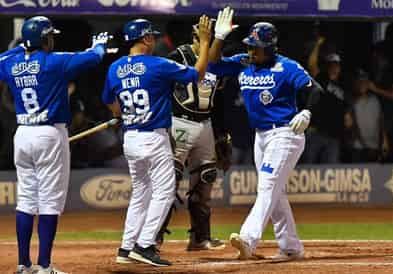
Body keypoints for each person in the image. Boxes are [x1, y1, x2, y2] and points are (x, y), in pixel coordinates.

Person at [208, 7, 322, 261]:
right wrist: (219, 38)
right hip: (261, 136)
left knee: (268, 185)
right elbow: (213, 64)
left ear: (270, 47)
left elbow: (315, 90)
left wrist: (306, 113)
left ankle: (248, 239)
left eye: (256, 47)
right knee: (276, 192)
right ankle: (291, 247)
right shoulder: (244, 63)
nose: (251, 50)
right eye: (249, 45)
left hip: (285, 133)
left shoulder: (286, 66)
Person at [0, 16, 109, 274]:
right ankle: (45, 266)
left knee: (26, 200)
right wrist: (100, 45)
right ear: (44, 38)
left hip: (23, 133)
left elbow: (7, 56)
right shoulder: (56, 61)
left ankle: (23, 264)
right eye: (49, 35)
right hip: (49, 133)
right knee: (49, 201)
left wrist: (22, 46)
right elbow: (94, 58)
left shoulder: (12, 63)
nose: (52, 39)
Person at [102, 16, 212, 266]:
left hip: (130, 138)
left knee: (141, 193)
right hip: (153, 137)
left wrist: (124, 114)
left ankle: (126, 248)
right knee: (163, 191)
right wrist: (205, 43)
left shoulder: (115, 67)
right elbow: (197, 74)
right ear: (146, 38)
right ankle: (145, 245)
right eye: (152, 35)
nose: (155, 39)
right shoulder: (157, 64)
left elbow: (111, 104)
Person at [155, 21, 231, 251]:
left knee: (206, 179)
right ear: (195, 38)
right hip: (178, 121)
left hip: (205, 123)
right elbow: (161, 89)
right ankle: (154, 237)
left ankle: (199, 237)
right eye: (204, 38)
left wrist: (221, 134)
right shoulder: (177, 56)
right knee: (169, 181)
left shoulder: (217, 62)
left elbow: (219, 103)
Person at [302, 53, 346, 163]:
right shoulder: (320, 79)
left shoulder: (343, 85)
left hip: (333, 135)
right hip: (315, 132)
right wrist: (318, 44)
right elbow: (312, 65)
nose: (334, 68)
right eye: (331, 65)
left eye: (336, 65)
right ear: (327, 67)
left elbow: (345, 110)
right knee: (309, 169)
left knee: (330, 172)